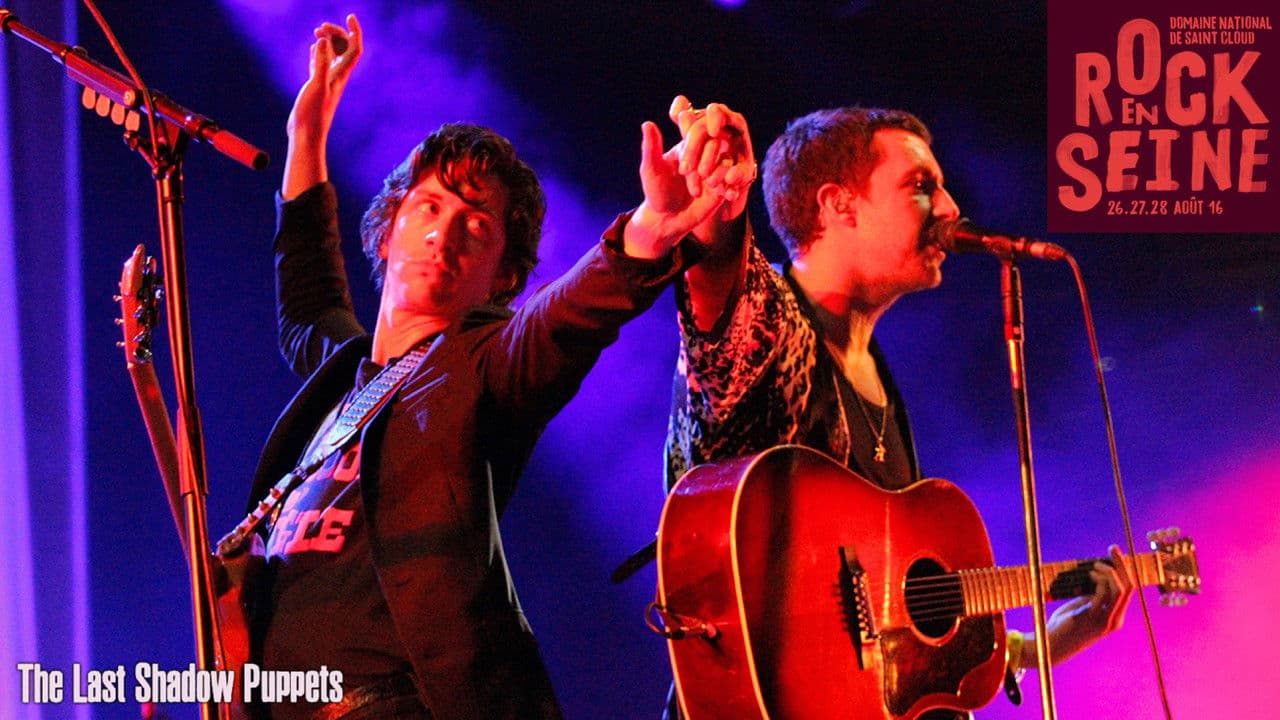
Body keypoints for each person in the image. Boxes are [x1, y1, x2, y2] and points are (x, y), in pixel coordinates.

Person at [237, 15, 753, 720]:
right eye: (428, 207)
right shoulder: (343, 375)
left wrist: (644, 235)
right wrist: (307, 133)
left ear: (503, 277)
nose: (444, 233)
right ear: (387, 232)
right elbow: (307, 291)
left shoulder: (482, 365)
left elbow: (562, 320)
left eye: (476, 226)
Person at [659, 100, 1136, 718]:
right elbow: (723, 302)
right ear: (839, 205)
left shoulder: (876, 369)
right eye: (920, 186)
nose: (950, 208)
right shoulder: (771, 325)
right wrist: (719, 214)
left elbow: (880, 642)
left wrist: (1040, 645)